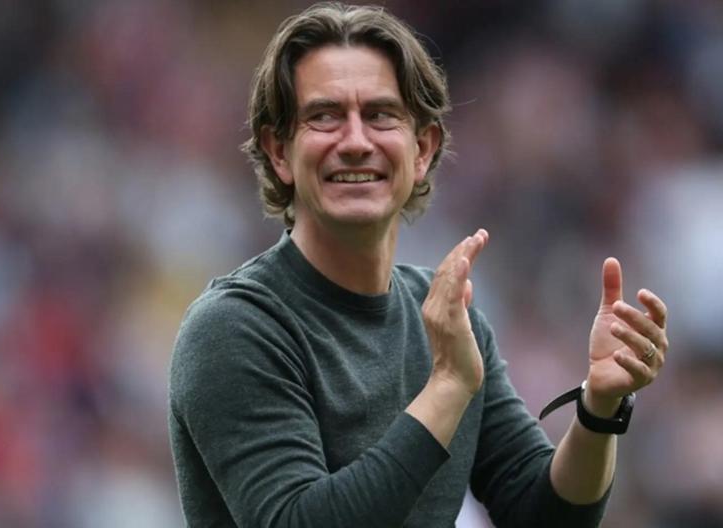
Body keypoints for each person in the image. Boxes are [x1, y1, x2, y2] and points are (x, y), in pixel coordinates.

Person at [168, 3, 669, 527]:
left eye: (380, 115)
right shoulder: (234, 327)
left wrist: (599, 408)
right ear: (279, 152)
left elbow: (545, 517)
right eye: (325, 116)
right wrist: (448, 386)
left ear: (423, 149)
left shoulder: (448, 322)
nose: (356, 142)